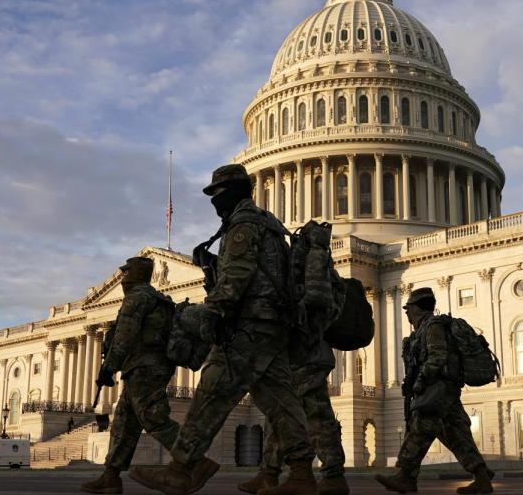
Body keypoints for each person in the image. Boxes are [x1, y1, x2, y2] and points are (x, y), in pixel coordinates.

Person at [139, 164, 316, 495]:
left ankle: (180, 470)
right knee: (282, 404)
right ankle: (303, 475)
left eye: (218, 194)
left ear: (234, 193)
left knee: (211, 393)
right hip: (273, 327)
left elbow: (237, 275)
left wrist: (214, 313)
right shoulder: (271, 225)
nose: (215, 202)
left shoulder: (243, 226)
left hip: (246, 327)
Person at [81, 256, 213, 495]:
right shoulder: (158, 299)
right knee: (124, 423)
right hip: (145, 367)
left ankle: (195, 460)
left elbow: (124, 336)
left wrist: (109, 367)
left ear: (136, 275)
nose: (123, 278)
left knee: (153, 418)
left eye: (126, 273)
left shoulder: (138, 298)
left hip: (145, 367)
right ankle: (110, 476)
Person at [374, 287, 493, 495]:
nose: (407, 313)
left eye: (408, 309)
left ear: (418, 309)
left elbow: (438, 356)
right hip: (443, 388)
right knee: (456, 434)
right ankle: (481, 476)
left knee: (420, 426)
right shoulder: (421, 330)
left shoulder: (433, 326)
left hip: (437, 388)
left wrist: (421, 380)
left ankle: (405, 475)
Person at [238, 339, 348, 495]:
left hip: (303, 356)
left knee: (306, 414)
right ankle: (270, 473)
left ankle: (330, 476)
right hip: (300, 355)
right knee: (286, 412)